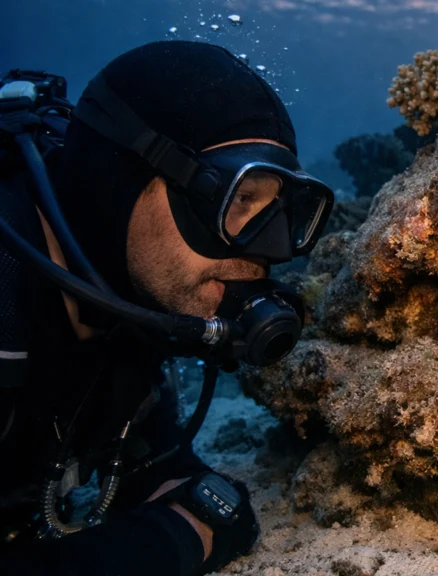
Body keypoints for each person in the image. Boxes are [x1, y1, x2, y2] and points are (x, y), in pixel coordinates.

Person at [0, 41, 333, 575]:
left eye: (285, 212)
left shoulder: (130, 314)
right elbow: (186, 514)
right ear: (119, 181)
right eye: (240, 200)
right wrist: (174, 537)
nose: (269, 250)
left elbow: (177, 480)